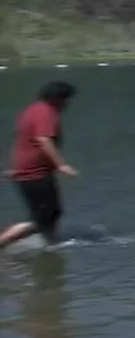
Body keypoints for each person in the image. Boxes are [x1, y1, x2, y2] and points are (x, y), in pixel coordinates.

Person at [0, 81, 78, 249]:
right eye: (65, 99)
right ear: (56, 98)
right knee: (43, 217)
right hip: (35, 173)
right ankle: (4, 241)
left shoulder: (33, 110)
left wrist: (16, 167)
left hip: (31, 171)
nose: (67, 104)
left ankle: (49, 245)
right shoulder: (45, 112)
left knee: (51, 213)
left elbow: (23, 141)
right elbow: (43, 139)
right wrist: (61, 165)